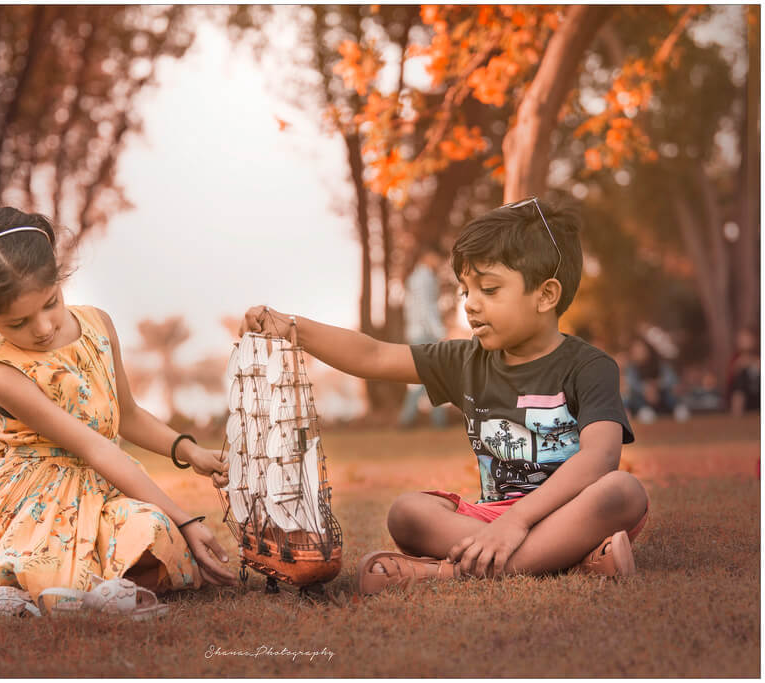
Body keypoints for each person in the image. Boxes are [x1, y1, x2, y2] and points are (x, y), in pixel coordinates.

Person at [241, 197, 649, 594]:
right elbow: (374, 354)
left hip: (569, 510)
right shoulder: (464, 360)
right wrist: (291, 326)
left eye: (489, 289)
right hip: (488, 519)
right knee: (407, 513)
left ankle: (444, 575)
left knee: (623, 491)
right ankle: (571, 560)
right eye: (466, 291)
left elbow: (600, 458)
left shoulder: (590, 366)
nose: (471, 305)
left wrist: (518, 522)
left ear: (545, 295)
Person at [0, 207, 235, 617]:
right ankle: (34, 586)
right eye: (18, 322)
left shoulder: (98, 324)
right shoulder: (5, 371)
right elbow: (95, 448)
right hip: (39, 500)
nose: (43, 327)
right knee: (53, 566)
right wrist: (187, 519)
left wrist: (191, 453)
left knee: (152, 531)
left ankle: (88, 584)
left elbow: (128, 414)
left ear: (58, 277)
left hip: (105, 487)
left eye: (50, 303)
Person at [398, 245, 447, 428]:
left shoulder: (416, 277)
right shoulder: (424, 278)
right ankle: (427, 420)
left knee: (425, 377)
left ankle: (412, 419)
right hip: (424, 333)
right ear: (428, 255)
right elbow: (427, 309)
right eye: (437, 258)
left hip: (417, 332)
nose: (440, 263)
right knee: (430, 377)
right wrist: (440, 332)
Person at [727, 327, 760, 416]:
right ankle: (736, 413)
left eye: (747, 339)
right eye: (741, 339)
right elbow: (732, 377)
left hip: (758, 392)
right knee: (740, 380)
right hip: (745, 394)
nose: (743, 342)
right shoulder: (736, 358)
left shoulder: (758, 356)